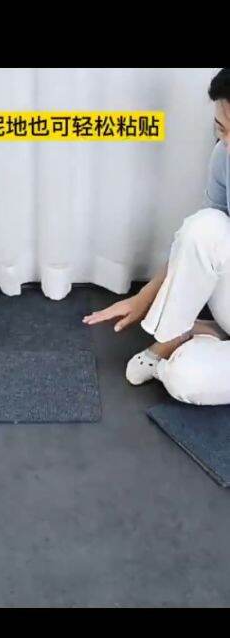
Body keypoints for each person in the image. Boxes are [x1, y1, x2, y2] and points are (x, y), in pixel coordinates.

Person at [82, 67, 230, 405]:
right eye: (222, 129)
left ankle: (205, 334)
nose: (228, 144)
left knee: (185, 380)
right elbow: (196, 244)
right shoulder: (223, 157)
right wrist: (144, 297)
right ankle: (172, 338)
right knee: (205, 224)